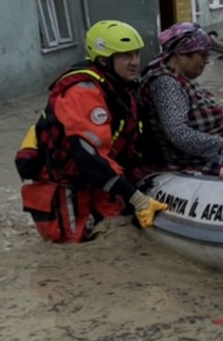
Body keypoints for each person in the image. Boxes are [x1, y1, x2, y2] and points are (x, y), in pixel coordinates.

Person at [15, 20, 169, 243]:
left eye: (136, 54)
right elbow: (87, 158)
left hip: (99, 183)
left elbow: (133, 141)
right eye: (126, 56)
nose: (135, 62)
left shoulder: (122, 88)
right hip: (68, 188)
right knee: (73, 248)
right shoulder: (82, 92)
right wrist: (138, 199)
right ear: (104, 60)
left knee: (120, 237)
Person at [139, 22, 223, 174]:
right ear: (182, 54)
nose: (207, 61)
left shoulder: (179, 77)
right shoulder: (166, 84)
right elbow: (179, 135)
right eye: (202, 55)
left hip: (212, 154)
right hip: (197, 162)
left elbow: (191, 108)